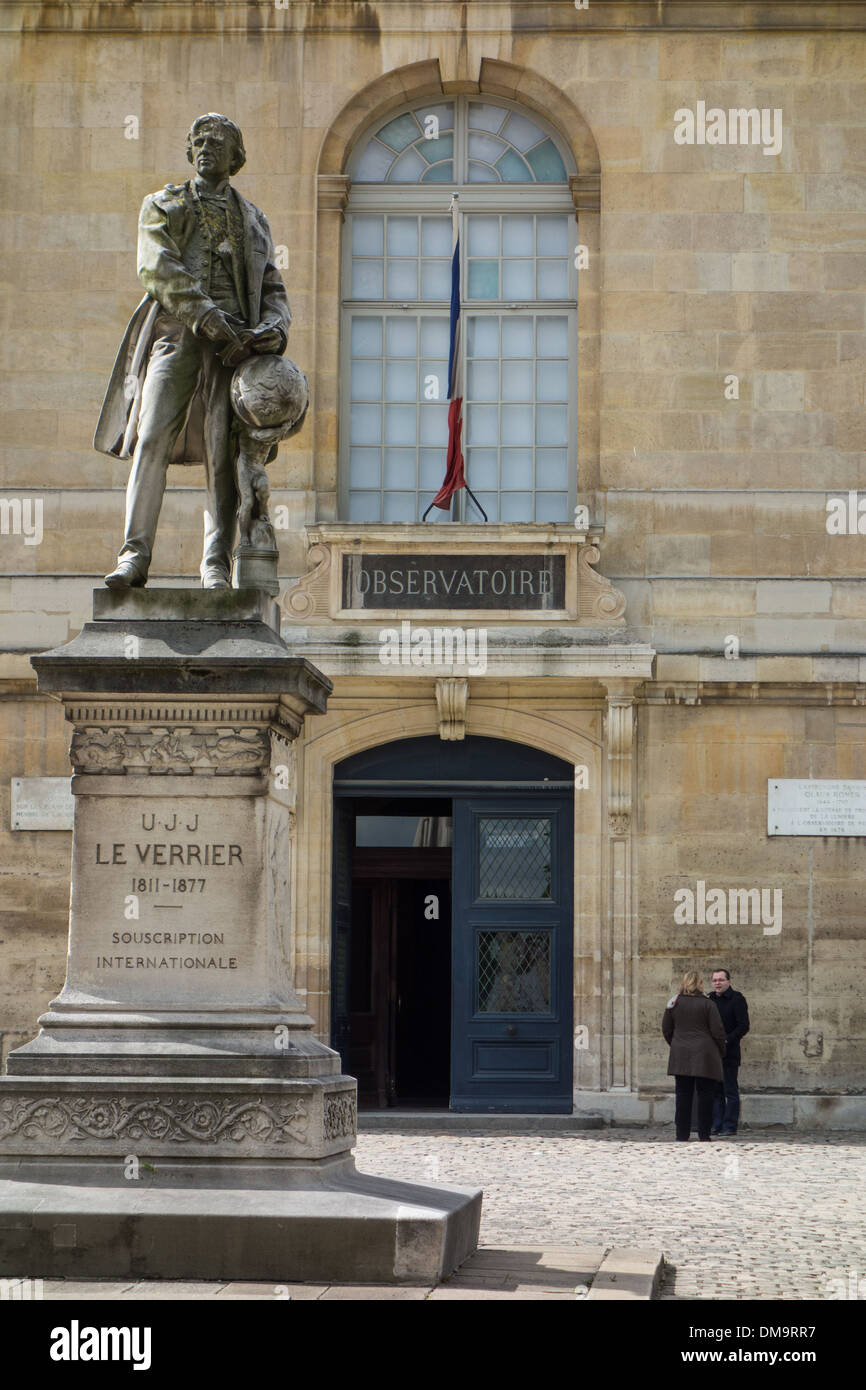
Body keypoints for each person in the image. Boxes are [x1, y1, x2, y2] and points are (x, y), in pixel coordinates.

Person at [94, 113, 291, 590]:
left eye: (218, 143)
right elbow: (157, 266)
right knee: (151, 439)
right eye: (199, 141)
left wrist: (273, 329)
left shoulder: (253, 220)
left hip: (234, 353)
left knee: (223, 455)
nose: (206, 148)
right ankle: (134, 557)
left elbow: (272, 287)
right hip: (178, 336)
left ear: (235, 157)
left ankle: (216, 565)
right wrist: (205, 315)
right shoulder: (164, 204)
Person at [662, 970, 726, 1141]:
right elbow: (718, 1031)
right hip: (705, 1054)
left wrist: (677, 1044)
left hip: (681, 1053)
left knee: (683, 1095)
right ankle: (704, 1134)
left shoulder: (674, 1003)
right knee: (706, 1096)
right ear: (700, 984)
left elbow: (666, 1029)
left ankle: (681, 1134)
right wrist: (720, 1050)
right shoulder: (708, 1004)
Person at [709, 968, 750, 1136]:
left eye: (721, 980)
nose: (717, 983)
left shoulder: (737, 999)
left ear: (728, 981)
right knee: (715, 1091)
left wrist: (727, 1039)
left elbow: (743, 1026)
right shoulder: (709, 999)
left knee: (730, 1090)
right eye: (715, 980)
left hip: (730, 1052)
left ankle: (730, 1125)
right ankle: (717, 1124)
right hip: (712, 1053)